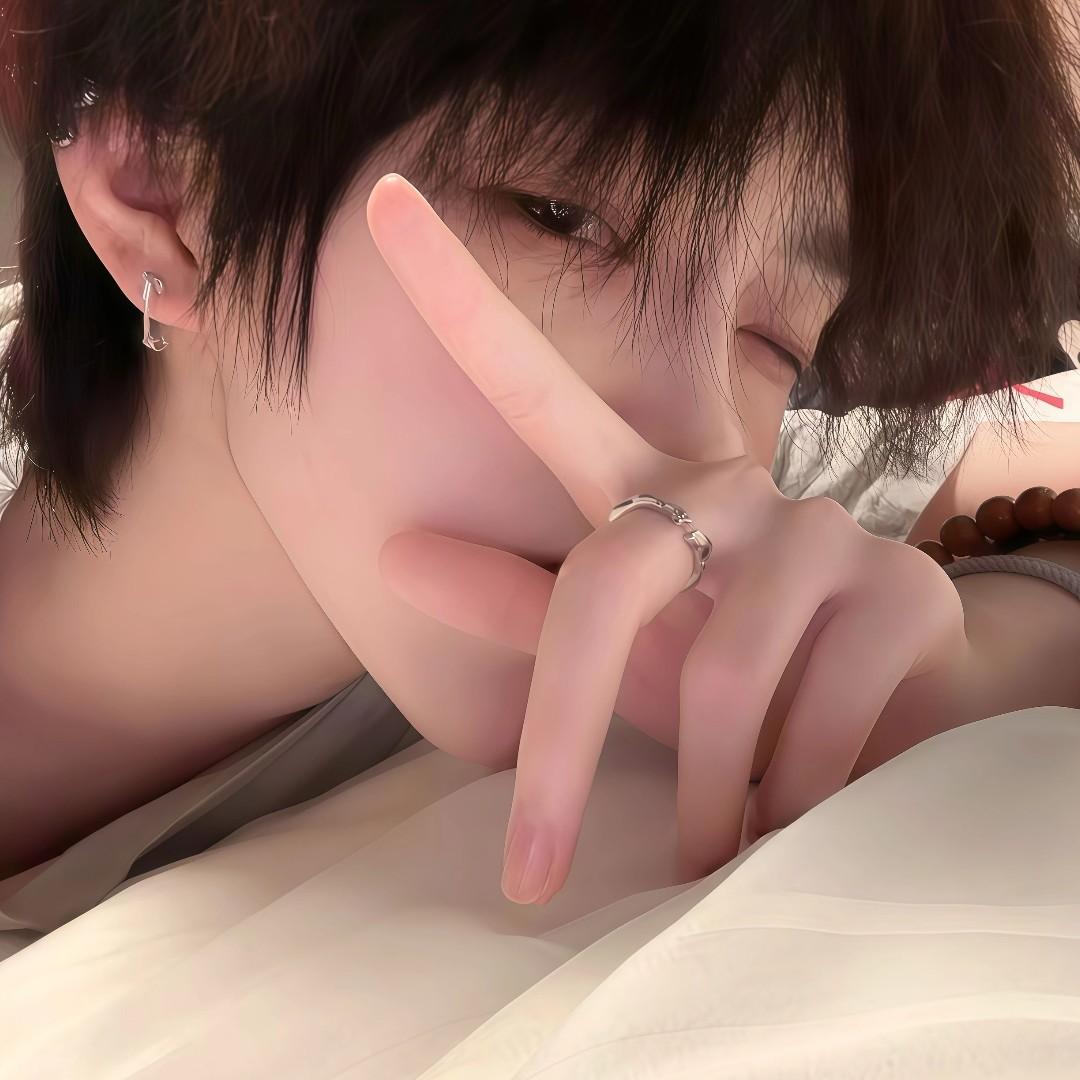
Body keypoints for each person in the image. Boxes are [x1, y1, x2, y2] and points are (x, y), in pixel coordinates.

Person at [0, 0, 1078, 938]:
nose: (700, 437)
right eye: (561, 220)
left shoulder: (711, 532)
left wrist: (975, 674)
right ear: (159, 182)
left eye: (778, 341)